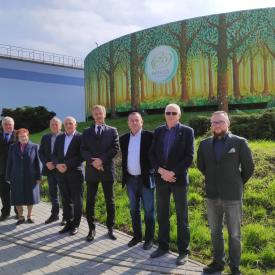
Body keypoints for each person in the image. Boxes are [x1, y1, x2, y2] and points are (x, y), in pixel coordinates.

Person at [197, 111, 254, 275]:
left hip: (233, 196)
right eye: (214, 122)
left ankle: (234, 267)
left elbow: (249, 168)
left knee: (235, 234)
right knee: (215, 232)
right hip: (212, 194)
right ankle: (218, 263)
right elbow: (202, 166)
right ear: (211, 125)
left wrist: (237, 183)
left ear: (228, 123)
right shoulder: (204, 144)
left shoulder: (239, 143)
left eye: (220, 122)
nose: (217, 125)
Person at [149, 103, 194, 266]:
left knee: (182, 217)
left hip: (178, 180)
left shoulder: (187, 132)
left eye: (174, 113)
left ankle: (183, 251)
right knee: (162, 214)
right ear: (164, 114)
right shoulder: (159, 131)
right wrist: (161, 171)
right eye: (168, 112)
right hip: (161, 179)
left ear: (179, 115)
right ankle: (163, 246)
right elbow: (151, 154)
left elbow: (189, 157)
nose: (170, 115)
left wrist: (172, 173)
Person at [81, 105, 119, 242]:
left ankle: (110, 228)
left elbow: (115, 148)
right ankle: (91, 228)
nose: (98, 115)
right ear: (93, 115)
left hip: (107, 171)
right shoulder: (86, 132)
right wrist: (94, 162)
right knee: (90, 201)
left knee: (110, 201)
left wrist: (101, 160)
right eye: (95, 113)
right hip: (92, 172)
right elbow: (83, 150)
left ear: (104, 114)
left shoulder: (112, 131)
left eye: (100, 113)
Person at [119, 112, 155, 250]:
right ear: (128, 123)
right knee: (134, 210)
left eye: (137, 120)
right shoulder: (124, 139)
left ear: (142, 122)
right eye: (131, 120)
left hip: (145, 179)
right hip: (130, 180)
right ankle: (137, 236)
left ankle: (149, 239)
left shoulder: (150, 136)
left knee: (149, 211)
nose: (134, 123)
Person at [52, 116, 84, 236]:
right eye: (66, 124)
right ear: (64, 126)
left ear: (75, 125)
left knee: (77, 201)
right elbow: (54, 154)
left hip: (75, 173)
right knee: (65, 200)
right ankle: (68, 223)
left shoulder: (80, 137)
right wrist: (57, 164)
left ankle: (76, 225)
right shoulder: (60, 137)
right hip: (61, 173)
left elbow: (81, 155)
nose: (68, 125)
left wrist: (66, 165)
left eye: (71, 123)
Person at [6, 128, 41, 225]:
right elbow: (9, 162)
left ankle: (30, 215)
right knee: (17, 197)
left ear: (28, 136)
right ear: (18, 137)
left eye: (25, 136)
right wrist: (8, 177)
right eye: (21, 136)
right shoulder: (12, 147)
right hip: (16, 176)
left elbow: (38, 163)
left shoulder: (34, 146)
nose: (23, 137)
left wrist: (38, 177)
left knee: (30, 196)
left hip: (31, 176)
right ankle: (20, 217)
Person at [39, 117, 65, 224]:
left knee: (64, 193)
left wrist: (56, 164)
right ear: (50, 126)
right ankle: (54, 215)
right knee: (53, 193)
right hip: (50, 170)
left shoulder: (65, 136)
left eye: (56, 124)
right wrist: (46, 163)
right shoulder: (45, 137)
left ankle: (66, 216)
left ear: (60, 126)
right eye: (52, 124)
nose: (54, 126)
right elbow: (41, 152)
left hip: (62, 170)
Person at [0, 116, 17, 221]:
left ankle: (18, 212)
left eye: (10, 124)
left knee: (16, 192)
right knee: (3, 192)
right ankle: (5, 213)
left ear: (13, 125)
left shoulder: (18, 135)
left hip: (15, 169)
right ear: (2, 125)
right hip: (1, 170)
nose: (8, 126)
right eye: (5, 124)